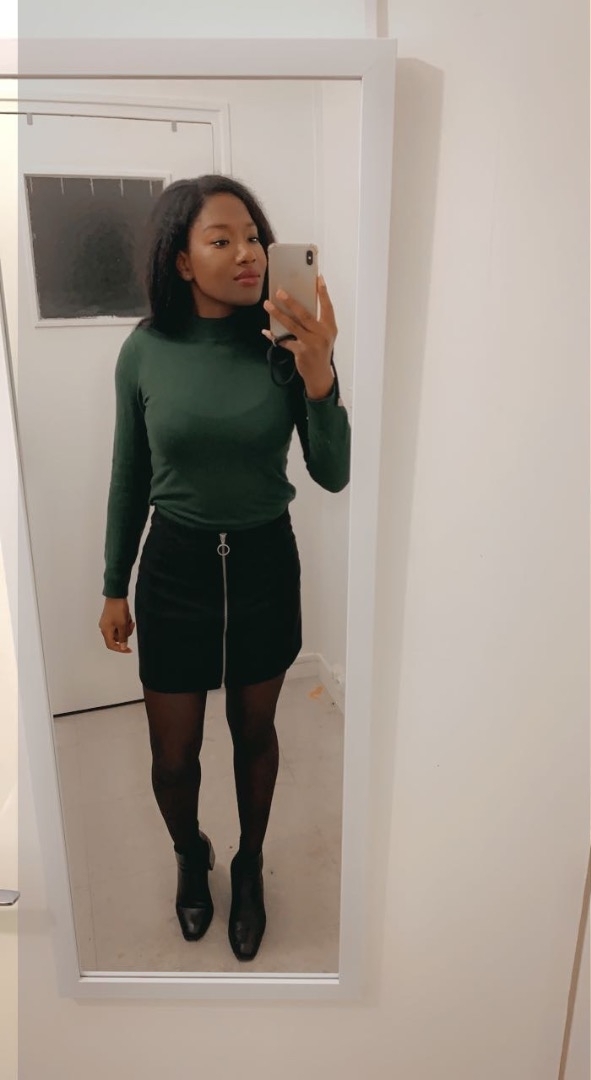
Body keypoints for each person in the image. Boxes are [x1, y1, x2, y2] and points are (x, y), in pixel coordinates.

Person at [98, 174, 351, 962]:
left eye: (253, 238)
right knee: (173, 756)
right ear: (181, 261)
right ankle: (191, 853)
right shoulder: (144, 351)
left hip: (264, 565)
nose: (247, 253)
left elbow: (333, 472)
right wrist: (112, 584)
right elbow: (129, 476)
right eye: (222, 239)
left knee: (254, 733)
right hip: (173, 569)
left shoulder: (283, 344)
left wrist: (320, 374)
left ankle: (248, 864)